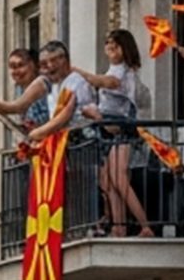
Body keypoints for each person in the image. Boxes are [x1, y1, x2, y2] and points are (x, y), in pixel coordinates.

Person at [65, 30, 152, 235]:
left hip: (123, 126)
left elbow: (108, 82)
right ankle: (118, 226)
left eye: (115, 45)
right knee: (108, 179)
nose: (110, 48)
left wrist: (79, 73)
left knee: (119, 177)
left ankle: (145, 225)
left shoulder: (125, 72)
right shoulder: (115, 69)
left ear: (125, 49)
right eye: (108, 44)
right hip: (111, 128)